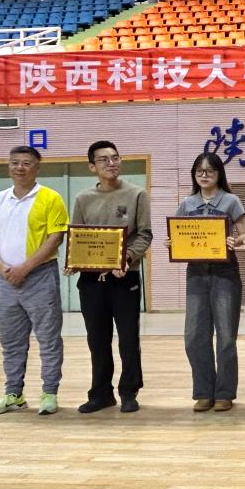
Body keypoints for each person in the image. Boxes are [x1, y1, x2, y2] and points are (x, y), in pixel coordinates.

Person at [0, 146, 68, 416]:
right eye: (14, 162)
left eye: (27, 163)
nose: (20, 167)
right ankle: (13, 394)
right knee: (11, 342)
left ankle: (49, 393)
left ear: (37, 168)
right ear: (8, 166)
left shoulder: (51, 198)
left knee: (48, 339)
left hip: (40, 277)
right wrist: (1, 267)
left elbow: (56, 238)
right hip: (5, 280)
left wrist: (25, 268)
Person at [70, 141, 153, 414]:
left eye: (115, 158)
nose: (111, 163)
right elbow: (78, 237)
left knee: (128, 339)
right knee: (97, 339)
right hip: (91, 281)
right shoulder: (82, 199)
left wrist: (127, 258)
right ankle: (101, 393)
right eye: (103, 159)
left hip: (125, 277)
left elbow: (144, 234)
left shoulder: (137, 194)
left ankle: (129, 391)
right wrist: (74, 262)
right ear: (92, 167)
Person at [173, 152, 245, 413]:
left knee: (226, 336)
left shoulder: (231, 200)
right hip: (196, 273)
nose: (204, 176)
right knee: (194, 336)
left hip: (225, 272)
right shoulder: (187, 203)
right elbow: (178, 234)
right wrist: (173, 243)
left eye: (210, 171)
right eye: (199, 171)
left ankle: (225, 393)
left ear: (219, 174)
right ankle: (204, 392)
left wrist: (235, 241)